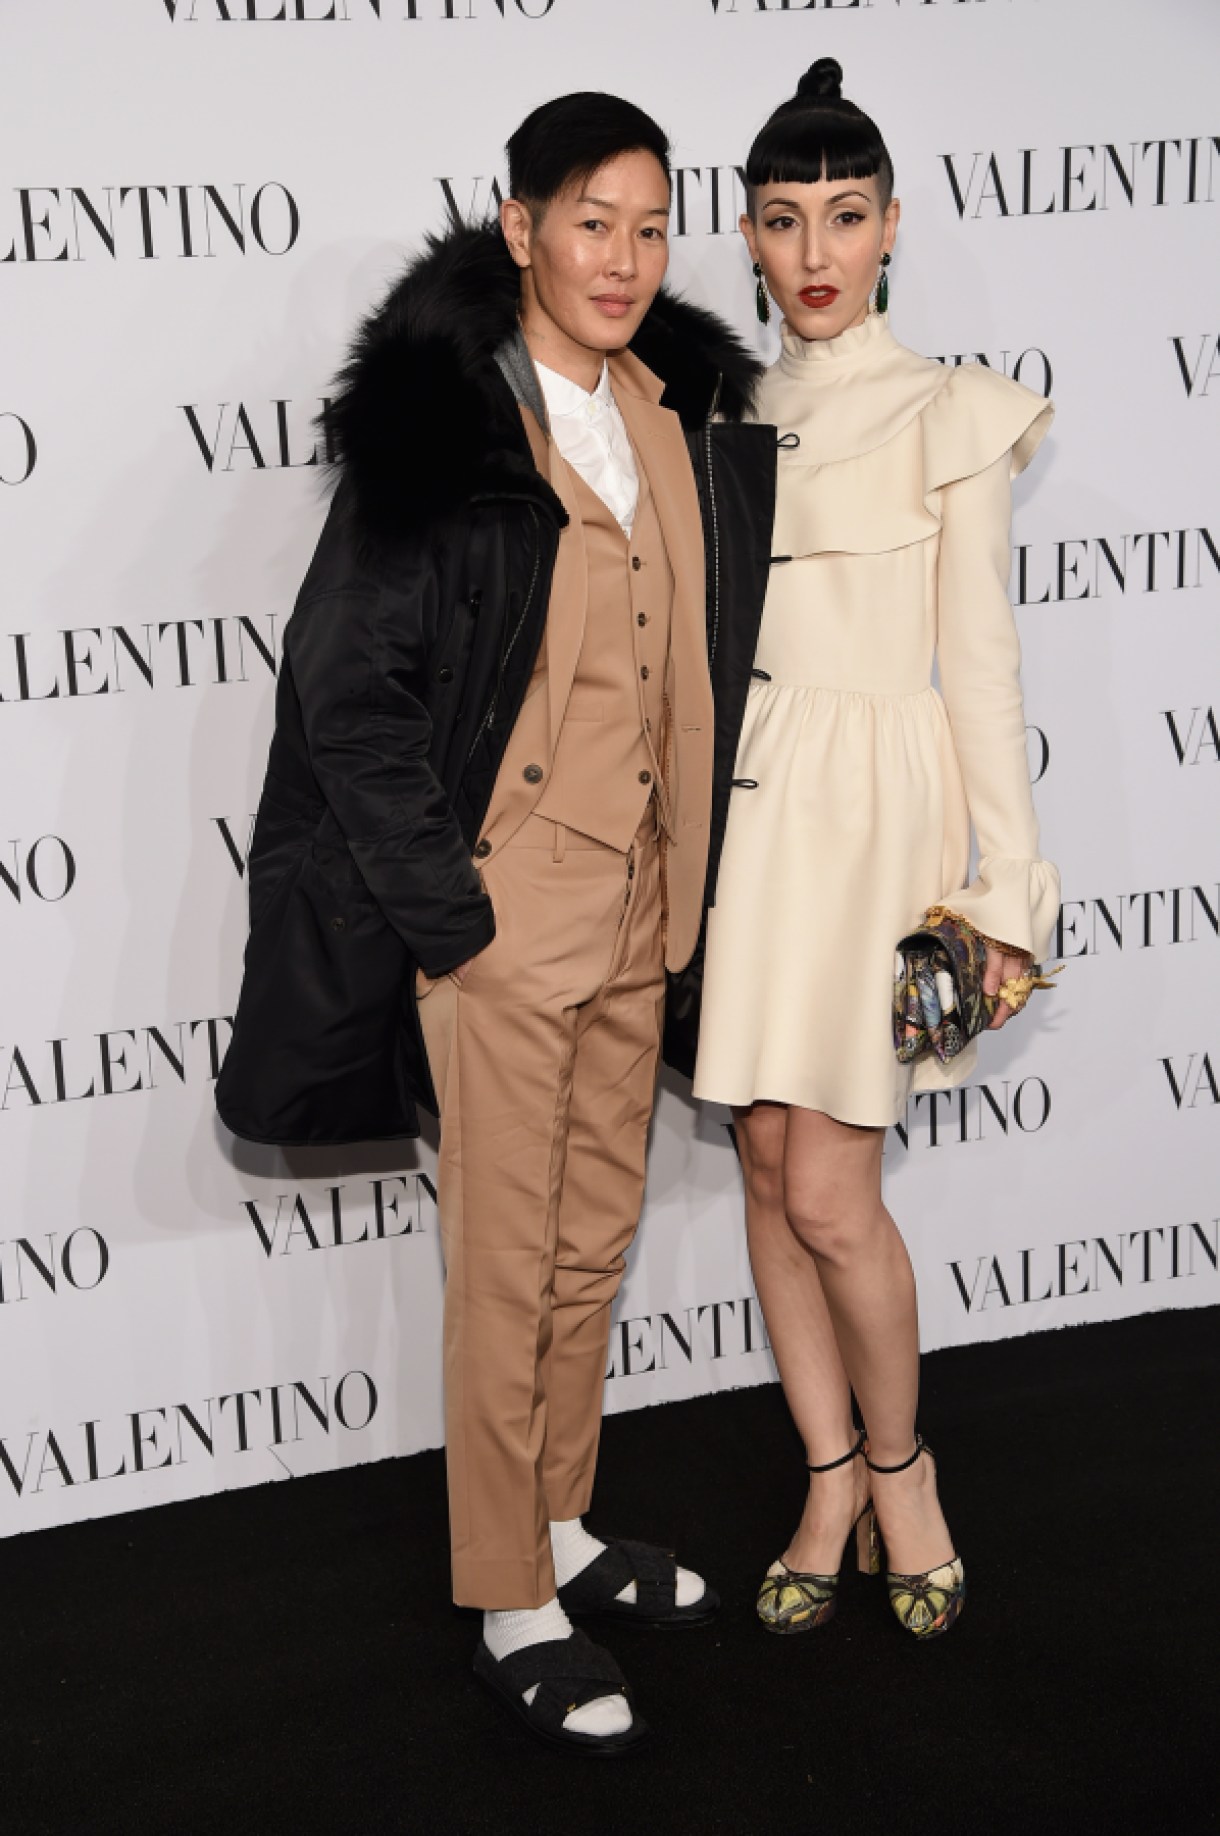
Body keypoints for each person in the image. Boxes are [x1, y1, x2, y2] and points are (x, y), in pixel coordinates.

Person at [216, 93, 763, 1753]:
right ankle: (508, 1592)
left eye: (653, 225)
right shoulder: (448, 428)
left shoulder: (671, 416)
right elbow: (344, 683)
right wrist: (453, 918)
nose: (624, 257)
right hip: (506, 925)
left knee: (594, 1241)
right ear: (518, 227)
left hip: (641, 914)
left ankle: (569, 1521)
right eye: (591, 220)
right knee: (505, 1263)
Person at [680, 57, 1059, 1640]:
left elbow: (981, 663)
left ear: (892, 226)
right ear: (750, 239)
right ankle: (825, 1470)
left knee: (834, 1187)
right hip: (746, 807)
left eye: (846, 215)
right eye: (783, 220)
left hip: (873, 820)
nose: (816, 250)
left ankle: (905, 1472)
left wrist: (1002, 891)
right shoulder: (720, 410)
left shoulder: (951, 411)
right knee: (767, 1169)